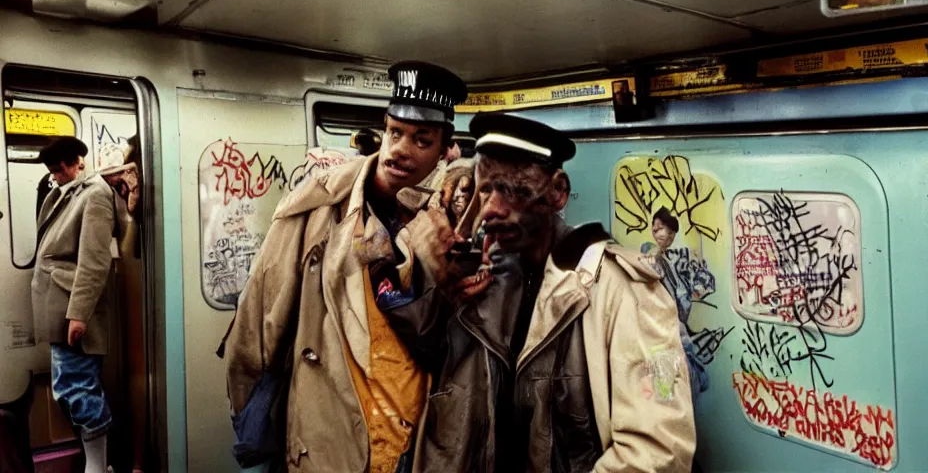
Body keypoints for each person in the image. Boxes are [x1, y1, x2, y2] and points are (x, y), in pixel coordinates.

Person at [395, 113, 696, 472]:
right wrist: (439, 286)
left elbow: (659, 450)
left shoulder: (621, 291)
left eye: (513, 190)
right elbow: (423, 381)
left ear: (558, 192)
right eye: (487, 189)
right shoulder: (484, 282)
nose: (491, 208)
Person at [219, 61, 467, 472]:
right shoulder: (315, 208)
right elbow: (257, 331)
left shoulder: (453, 221)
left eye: (421, 140)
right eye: (394, 133)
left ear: (445, 151)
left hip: (412, 444)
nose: (400, 149)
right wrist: (251, 430)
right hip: (329, 436)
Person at [32, 137, 117, 473]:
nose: (57, 176)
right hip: (59, 307)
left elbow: (95, 261)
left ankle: (98, 468)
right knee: (68, 388)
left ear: (78, 161)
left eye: (61, 169)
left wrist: (79, 315)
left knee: (78, 388)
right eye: (53, 172)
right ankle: (98, 465)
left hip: (73, 309)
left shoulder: (95, 194)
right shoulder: (64, 191)